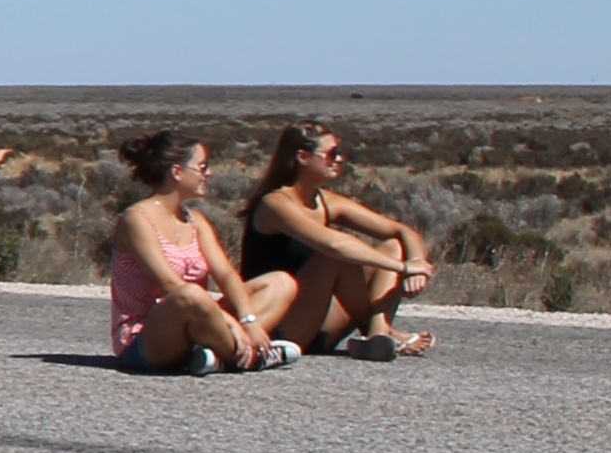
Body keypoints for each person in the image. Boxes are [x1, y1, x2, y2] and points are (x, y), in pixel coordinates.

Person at [107, 129, 299, 373]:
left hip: (200, 324)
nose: (209, 173)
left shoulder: (195, 220)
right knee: (190, 295)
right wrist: (229, 321)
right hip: (146, 338)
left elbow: (227, 275)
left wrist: (247, 319)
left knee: (281, 283)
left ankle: (216, 355)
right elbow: (170, 284)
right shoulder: (136, 219)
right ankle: (251, 357)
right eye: (202, 166)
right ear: (177, 172)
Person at [243, 122, 436, 358]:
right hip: (279, 329)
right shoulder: (275, 204)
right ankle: (383, 334)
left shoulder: (324, 201)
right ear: (303, 157)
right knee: (334, 257)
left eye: (341, 152)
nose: (340, 159)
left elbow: (401, 232)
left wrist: (417, 263)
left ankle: (378, 335)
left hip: (318, 322)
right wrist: (404, 268)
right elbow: (334, 245)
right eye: (332, 154)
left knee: (393, 247)